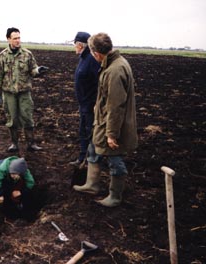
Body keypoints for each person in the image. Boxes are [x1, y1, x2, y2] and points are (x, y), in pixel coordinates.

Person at [73, 33, 138, 207]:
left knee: (114, 158)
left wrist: (111, 134)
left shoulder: (115, 70)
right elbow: (106, 97)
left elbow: (116, 106)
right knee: (93, 148)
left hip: (112, 124)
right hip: (102, 120)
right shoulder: (110, 63)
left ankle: (115, 196)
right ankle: (92, 185)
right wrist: (98, 106)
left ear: (95, 52)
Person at [0, 27, 48, 152]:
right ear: (8, 39)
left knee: (27, 118)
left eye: (19, 38)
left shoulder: (27, 54)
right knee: (12, 119)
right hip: (9, 93)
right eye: (15, 38)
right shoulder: (2, 56)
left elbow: (32, 70)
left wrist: (38, 70)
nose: (18, 41)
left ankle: (31, 143)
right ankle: (14, 143)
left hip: (24, 92)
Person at [70, 32, 100, 167]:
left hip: (90, 104)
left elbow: (99, 83)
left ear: (80, 45)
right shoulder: (83, 58)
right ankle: (82, 158)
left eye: (75, 44)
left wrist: (96, 103)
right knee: (83, 131)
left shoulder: (92, 60)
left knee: (90, 133)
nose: (74, 46)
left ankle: (91, 161)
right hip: (83, 104)